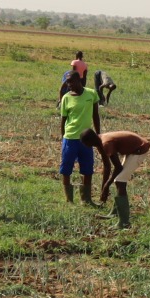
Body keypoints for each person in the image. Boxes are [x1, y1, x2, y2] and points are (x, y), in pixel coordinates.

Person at [87, 128, 150, 228]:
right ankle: (115, 213)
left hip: (140, 149)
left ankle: (124, 222)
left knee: (120, 181)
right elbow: (109, 167)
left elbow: (118, 167)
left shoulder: (106, 143)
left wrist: (106, 186)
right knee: (119, 180)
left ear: (91, 142)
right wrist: (105, 187)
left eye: (87, 144)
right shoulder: (101, 140)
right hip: (133, 149)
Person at [57, 73, 101, 204]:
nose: (69, 85)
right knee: (66, 169)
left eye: (71, 82)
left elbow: (95, 115)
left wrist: (98, 135)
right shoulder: (66, 98)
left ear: (80, 80)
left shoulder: (91, 94)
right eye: (67, 83)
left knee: (87, 169)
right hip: (70, 138)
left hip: (86, 139)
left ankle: (86, 199)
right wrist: (63, 138)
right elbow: (63, 120)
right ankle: (69, 199)